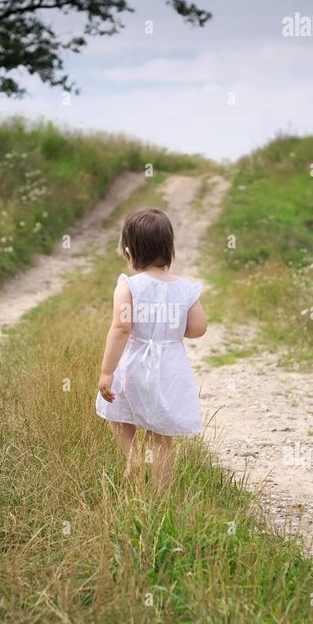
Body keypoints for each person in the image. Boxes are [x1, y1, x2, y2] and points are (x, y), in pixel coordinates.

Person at [96, 207, 207, 491]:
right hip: (168, 368)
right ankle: (161, 492)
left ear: (129, 251)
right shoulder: (184, 289)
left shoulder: (129, 287)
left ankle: (133, 456)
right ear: (169, 249)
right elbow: (197, 328)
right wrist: (170, 328)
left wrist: (107, 372)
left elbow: (121, 328)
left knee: (119, 413)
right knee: (160, 434)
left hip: (133, 362)